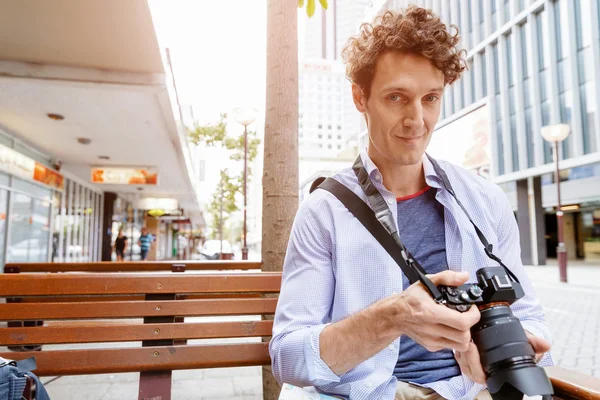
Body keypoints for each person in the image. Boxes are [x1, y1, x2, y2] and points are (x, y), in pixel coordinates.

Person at [269, 6, 552, 400]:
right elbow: (287, 357)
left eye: (431, 98)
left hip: (468, 390)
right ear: (360, 98)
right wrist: (392, 317)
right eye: (397, 97)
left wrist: (505, 353)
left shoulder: (485, 199)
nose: (416, 120)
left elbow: (531, 317)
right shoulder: (323, 212)